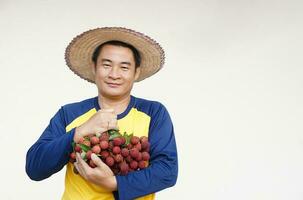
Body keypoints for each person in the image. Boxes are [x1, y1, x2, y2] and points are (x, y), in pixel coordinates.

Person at [26, 27, 178, 200]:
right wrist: (79, 132)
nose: (114, 74)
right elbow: (34, 168)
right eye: (106, 65)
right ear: (94, 68)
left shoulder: (154, 113)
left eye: (124, 67)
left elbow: (167, 171)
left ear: (136, 72)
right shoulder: (69, 114)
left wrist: (114, 183)